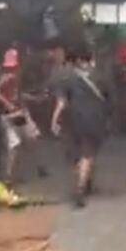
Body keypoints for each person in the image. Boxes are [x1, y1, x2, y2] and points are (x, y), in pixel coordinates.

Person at [50, 47, 110, 209]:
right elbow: (109, 99)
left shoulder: (68, 77)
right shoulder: (101, 76)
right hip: (95, 120)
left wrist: (54, 119)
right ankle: (81, 187)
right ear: (92, 59)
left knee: (77, 155)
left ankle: (83, 181)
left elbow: (62, 102)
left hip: (73, 119)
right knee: (88, 154)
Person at [0, 48, 46, 185]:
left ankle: (37, 168)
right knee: (15, 144)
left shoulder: (16, 77)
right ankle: (8, 176)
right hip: (10, 114)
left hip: (20, 112)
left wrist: (35, 99)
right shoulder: (8, 76)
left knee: (29, 140)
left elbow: (19, 95)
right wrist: (8, 104)